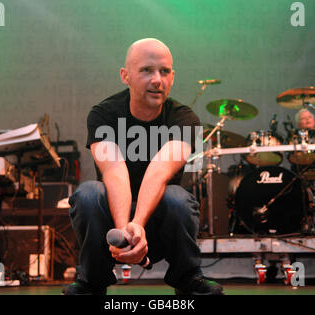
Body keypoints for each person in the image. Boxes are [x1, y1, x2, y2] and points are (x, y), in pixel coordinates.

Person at [63, 38, 223, 295]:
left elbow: (160, 171)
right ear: (125, 76)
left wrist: (137, 225)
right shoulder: (103, 114)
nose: (157, 80)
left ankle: (188, 278)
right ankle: (92, 281)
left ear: (173, 76)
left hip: (160, 226)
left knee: (178, 198)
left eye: (165, 71)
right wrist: (125, 232)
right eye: (146, 70)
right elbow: (114, 172)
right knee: (88, 194)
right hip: (113, 230)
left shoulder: (185, 118)